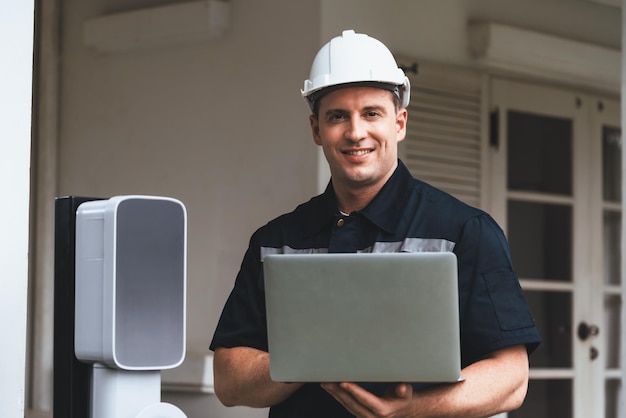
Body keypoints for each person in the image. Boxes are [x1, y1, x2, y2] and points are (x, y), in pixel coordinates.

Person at [210, 29, 541, 417]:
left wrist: (413, 410)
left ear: (399, 123)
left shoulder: (464, 231)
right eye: (337, 117)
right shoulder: (275, 241)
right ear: (317, 130)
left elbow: (512, 378)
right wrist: (309, 354)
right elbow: (228, 381)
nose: (355, 132)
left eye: (371, 113)